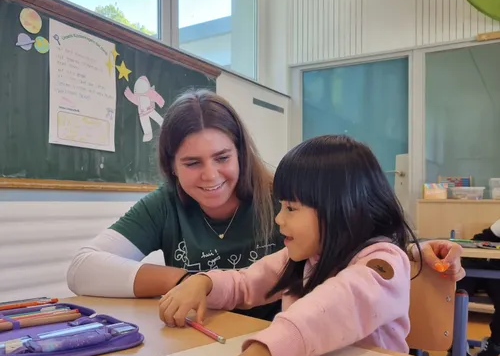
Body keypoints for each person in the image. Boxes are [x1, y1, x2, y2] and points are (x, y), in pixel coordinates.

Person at [67, 89, 463, 320]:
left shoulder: (285, 194)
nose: (210, 175)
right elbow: (83, 269)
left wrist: (408, 251)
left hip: (283, 345)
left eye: (222, 157)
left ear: (241, 152)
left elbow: (350, 241)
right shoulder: (165, 204)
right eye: (191, 163)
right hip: (202, 342)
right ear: (171, 167)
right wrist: (189, 280)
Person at [158, 135, 462, 356]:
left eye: (291, 208)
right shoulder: (304, 256)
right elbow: (247, 282)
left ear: (341, 208)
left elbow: (338, 303)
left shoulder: (384, 262)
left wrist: (264, 352)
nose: (279, 219)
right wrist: (204, 282)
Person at [454, 221, 500, 356]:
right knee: (455, 292)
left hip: (496, 274)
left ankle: (494, 347)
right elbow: (478, 241)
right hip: (475, 264)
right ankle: (456, 344)